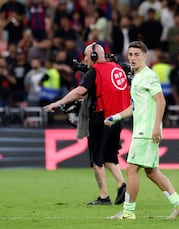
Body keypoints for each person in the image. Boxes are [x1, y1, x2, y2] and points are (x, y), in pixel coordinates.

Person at [105, 41, 179, 220]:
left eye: (137, 54)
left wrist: (156, 126)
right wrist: (116, 117)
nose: (133, 58)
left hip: (146, 131)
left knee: (131, 169)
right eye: (130, 55)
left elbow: (161, 100)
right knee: (152, 172)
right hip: (142, 130)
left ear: (145, 56)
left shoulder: (149, 76)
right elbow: (135, 107)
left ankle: (128, 212)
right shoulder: (137, 78)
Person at [43, 42, 130, 206]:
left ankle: (103, 196)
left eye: (86, 56)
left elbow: (79, 91)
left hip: (100, 119)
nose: (84, 59)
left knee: (96, 160)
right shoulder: (116, 67)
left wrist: (60, 103)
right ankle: (121, 185)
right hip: (117, 118)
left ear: (94, 56)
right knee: (110, 157)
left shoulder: (94, 72)